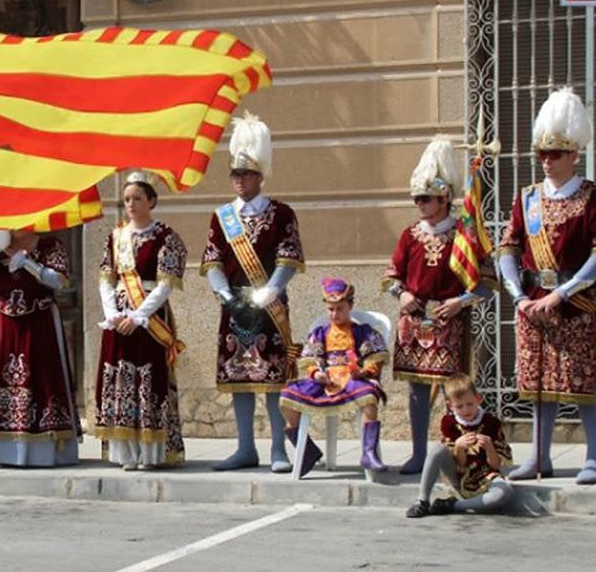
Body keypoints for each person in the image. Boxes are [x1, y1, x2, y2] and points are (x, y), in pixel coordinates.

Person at [497, 87, 596, 485]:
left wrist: (563, 292)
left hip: (577, 300)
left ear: (574, 155)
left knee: (585, 380)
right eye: (542, 154)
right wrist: (518, 295)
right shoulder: (527, 198)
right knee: (538, 381)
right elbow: (509, 245)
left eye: (555, 154)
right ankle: (539, 455)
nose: (547, 161)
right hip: (534, 301)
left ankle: (593, 455)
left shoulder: (591, 197)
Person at [200, 112, 303, 473]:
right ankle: (245, 447)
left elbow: (289, 256)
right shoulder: (222, 216)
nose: (239, 181)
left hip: (269, 305)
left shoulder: (281, 213)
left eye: (245, 174)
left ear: (260, 176)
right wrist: (225, 296)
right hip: (235, 307)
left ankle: (278, 448)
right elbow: (212, 260)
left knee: (273, 378)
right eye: (234, 174)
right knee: (240, 380)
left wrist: (272, 290)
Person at [383, 137, 490, 475]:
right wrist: (401, 294)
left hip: (450, 321)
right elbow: (390, 277)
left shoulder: (465, 235)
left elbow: (487, 284)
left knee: (453, 393)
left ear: (444, 198)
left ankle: (455, 452)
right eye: (416, 198)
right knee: (416, 392)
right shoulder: (409, 235)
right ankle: (417, 453)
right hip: (414, 323)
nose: (419, 203)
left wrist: (460, 302)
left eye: (425, 198)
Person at [94, 172, 187, 469]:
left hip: (149, 317)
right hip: (119, 319)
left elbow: (165, 284)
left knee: (150, 379)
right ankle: (126, 454)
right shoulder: (116, 235)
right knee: (120, 379)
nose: (131, 204)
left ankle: (151, 453)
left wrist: (139, 316)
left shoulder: (166, 238)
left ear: (151, 201)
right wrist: (113, 314)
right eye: (127, 199)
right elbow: (106, 279)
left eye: (137, 198)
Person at [0, 228, 81, 467]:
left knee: (42, 380)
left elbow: (60, 281)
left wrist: (28, 263)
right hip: (4, 327)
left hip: (39, 324)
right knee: (1, 381)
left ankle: (45, 449)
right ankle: (2, 450)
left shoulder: (50, 246)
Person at [279, 278, 389, 478]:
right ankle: (307, 452)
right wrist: (316, 373)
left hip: (352, 379)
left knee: (369, 398)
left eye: (339, 309)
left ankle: (368, 452)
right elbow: (309, 360)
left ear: (350, 306)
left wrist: (363, 372)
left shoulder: (362, 332)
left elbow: (376, 358)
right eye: (330, 309)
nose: (334, 314)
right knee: (287, 397)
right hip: (325, 381)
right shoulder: (320, 333)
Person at [406, 372, 513, 517]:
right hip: (459, 475)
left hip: (486, 476)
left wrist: (489, 448)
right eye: (460, 406)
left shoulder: (491, 422)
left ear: (478, 399)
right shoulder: (449, 422)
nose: (466, 410)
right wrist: (458, 447)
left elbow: (495, 466)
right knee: (438, 448)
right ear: (451, 406)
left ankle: (453, 505)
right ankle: (422, 500)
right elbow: (460, 463)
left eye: (470, 404)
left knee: (504, 493)